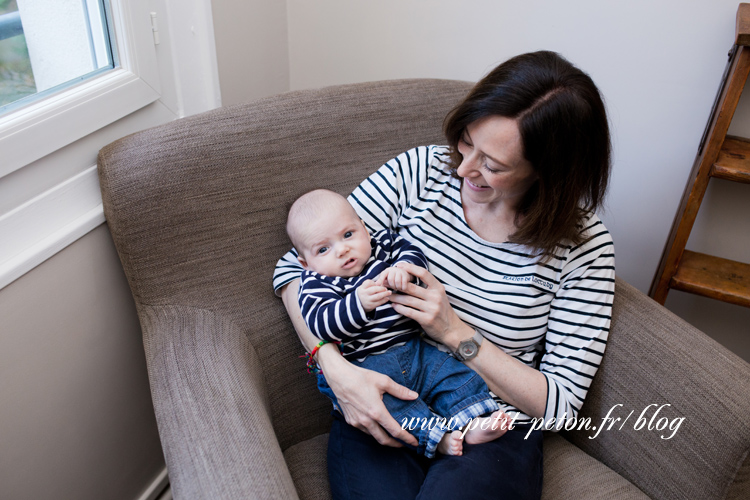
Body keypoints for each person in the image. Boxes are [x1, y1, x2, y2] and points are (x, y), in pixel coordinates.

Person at [274, 50, 615, 500]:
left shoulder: (583, 248)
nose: (463, 168)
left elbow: (560, 406)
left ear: (547, 173)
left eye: (492, 165)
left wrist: (453, 331)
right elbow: (293, 269)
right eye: (467, 141)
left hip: (492, 422)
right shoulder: (420, 173)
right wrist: (335, 369)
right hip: (383, 393)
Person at [285, 188, 512, 458]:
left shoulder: (385, 247)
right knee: (393, 409)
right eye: (323, 249)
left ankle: (473, 420)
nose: (342, 249)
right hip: (366, 367)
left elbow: (415, 256)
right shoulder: (316, 284)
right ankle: (438, 438)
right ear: (305, 262)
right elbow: (322, 326)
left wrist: (402, 271)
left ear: (364, 228)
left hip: (415, 349)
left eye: (348, 234)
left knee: (450, 374)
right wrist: (357, 304)